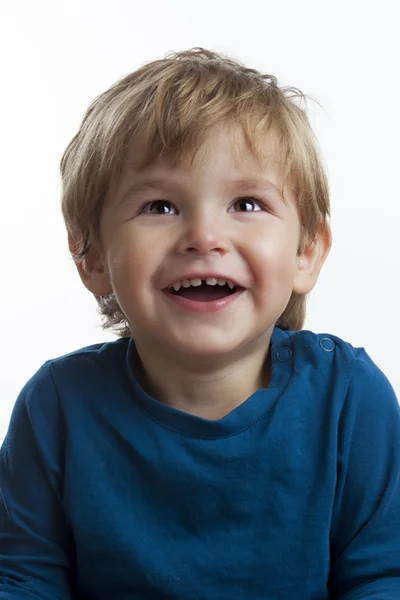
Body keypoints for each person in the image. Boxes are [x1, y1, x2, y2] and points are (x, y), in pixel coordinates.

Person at [0, 48, 399, 600]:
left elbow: (383, 578)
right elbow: (25, 580)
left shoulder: (350, 398)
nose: (204, 236)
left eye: (248, 203)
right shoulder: (57, 406)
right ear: (91, 256)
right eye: (160, 206)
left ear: (307, 251)